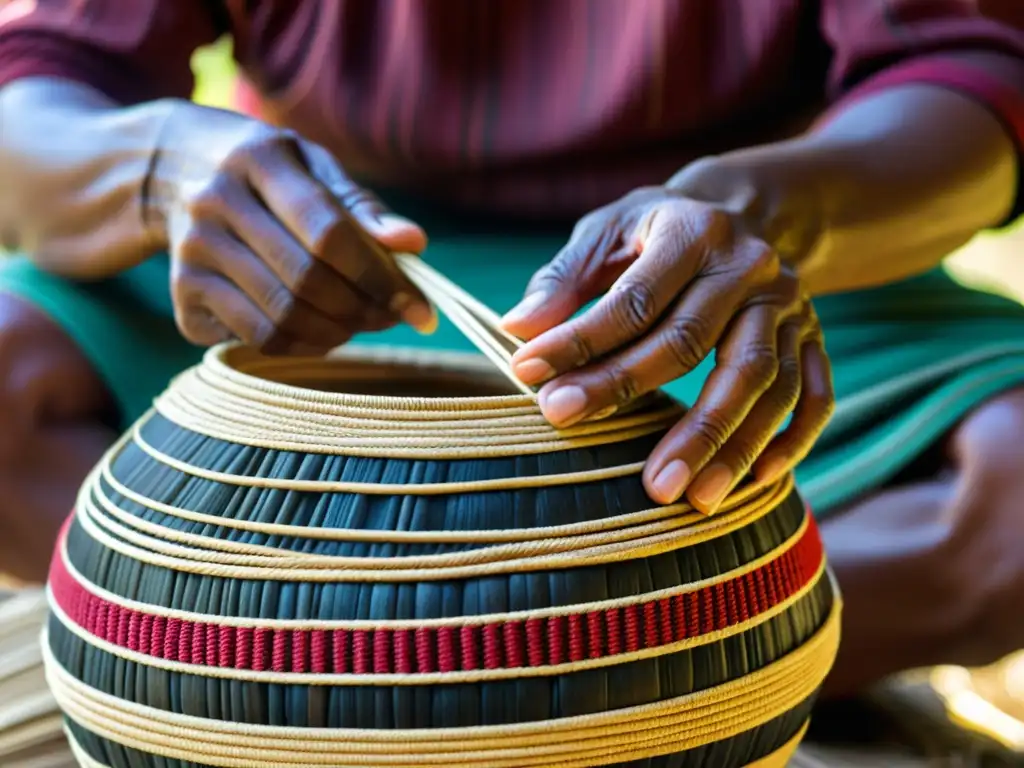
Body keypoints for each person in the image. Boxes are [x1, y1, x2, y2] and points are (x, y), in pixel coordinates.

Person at [1, 0, 1024, 697]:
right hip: (324, 259)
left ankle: (314, 663)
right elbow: (39, 82)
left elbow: (968, 75)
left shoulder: (751, 232)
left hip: (730, 268)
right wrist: (155, 168)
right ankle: (645, 657)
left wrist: (761, 214)